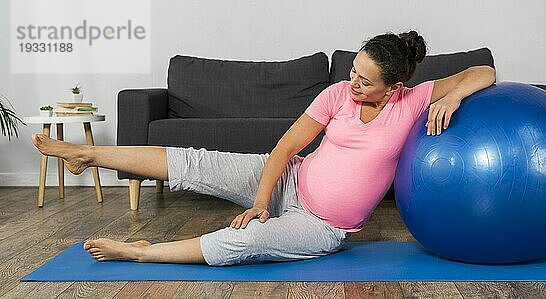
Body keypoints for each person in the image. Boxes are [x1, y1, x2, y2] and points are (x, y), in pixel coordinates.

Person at [31, 31, 496, 266]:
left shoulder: (413, 100)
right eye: (352, 70)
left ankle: (140, 253)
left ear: (393, 87)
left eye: (364, 80)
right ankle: (87, 155)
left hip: (324, 225)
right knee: (198, 163)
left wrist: (452, 95)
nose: (352, 82)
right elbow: (284, 148)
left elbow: (485, 72)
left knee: (246, 241)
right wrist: (259, 202)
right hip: (291, 176)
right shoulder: (336, 95)